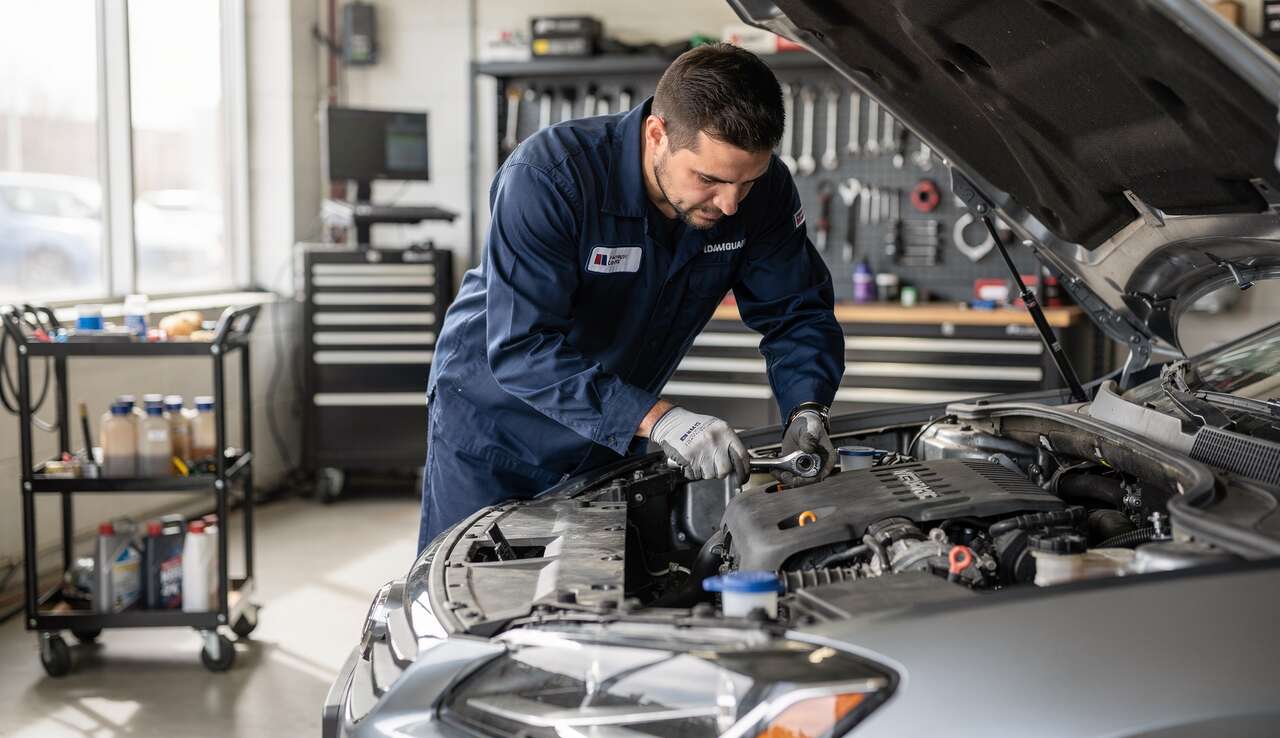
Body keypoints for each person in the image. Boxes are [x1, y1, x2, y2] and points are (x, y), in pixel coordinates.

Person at [417, 43, 845, 551]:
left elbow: (796, 313)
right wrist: (660, 418)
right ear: (657, 134)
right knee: (475, 585)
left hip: (612, 434)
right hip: (495, 433)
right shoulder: (550, 177)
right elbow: (521, 347)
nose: (731, 204)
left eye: (746, 182)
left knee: (595, 584)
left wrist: (806, 409)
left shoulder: (763, 192)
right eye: (709, 179)